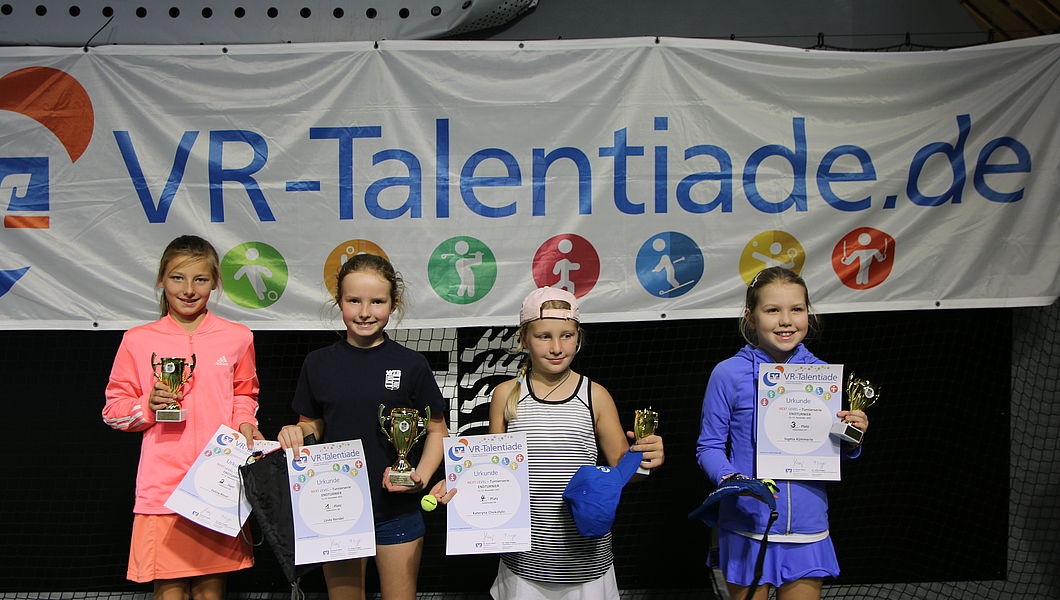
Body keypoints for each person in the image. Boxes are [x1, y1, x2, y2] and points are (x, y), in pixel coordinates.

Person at [430, 286, 665, 599]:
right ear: (524, 339)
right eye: (544, 336)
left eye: (567, 336)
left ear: (578, 337)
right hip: (523, 565)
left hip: (586, 563)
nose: (556, 347)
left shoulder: (595, 395)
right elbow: (492, 472)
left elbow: (623, 474)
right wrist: (459, 483)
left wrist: (645, 460)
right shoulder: (505, 394)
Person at [276, 253, 448, 600]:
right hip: (336, 509)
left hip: (397, 511)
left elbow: (437, 430)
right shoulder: (317, 363)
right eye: (354, 300)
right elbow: (311, 424)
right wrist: (296, 432)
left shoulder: (411, 364)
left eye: (377, 302)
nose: (365, 312)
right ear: (339, 301)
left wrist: (419, 477)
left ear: (393, 305)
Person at [102, 234, 262, 600]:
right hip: (163, 489)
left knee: (211, 592)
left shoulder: (237, 337)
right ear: (161, 279)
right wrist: (147, 406)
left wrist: (245, 424)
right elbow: (113, 411)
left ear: (214, 283)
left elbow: (245, 393)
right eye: (178, 277)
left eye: (200, 279)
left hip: (217, 484)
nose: (189, 290)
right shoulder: (137, 340)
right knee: (169, 592)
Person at [696, 266, 869, 600]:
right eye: (773, 310)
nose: (786, 321)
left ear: (808, 314)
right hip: (747, 524)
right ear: (751, 317)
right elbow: (709, 446)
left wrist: (852, 434)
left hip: (807, 526)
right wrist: (732, 480)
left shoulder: (822, 376)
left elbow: (830, 449)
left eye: (797, 309)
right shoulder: (728, 373)